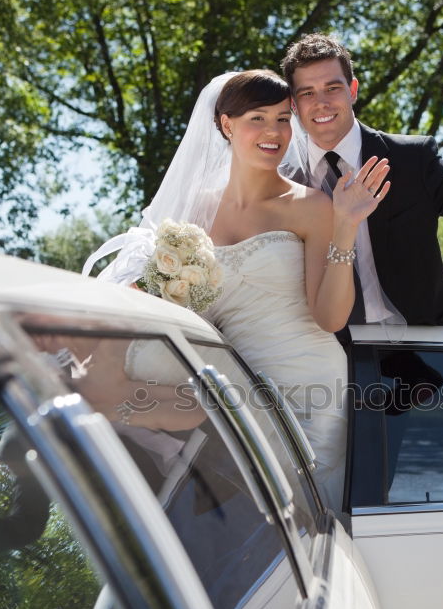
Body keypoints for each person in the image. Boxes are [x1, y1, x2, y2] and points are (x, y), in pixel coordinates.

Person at [83, 70, 390, 515]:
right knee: (262, 524)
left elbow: (330, 319)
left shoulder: (310, 206)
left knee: (314, 518)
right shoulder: (193, 215)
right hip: (239, 389)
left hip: (312, 380)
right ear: (226, 124)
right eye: (257, 118)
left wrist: (346, 227)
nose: (274, 132)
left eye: (284, 119)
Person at [280, 33, 443, 328]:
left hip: (424, 349)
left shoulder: (410, 159)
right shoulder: (287, 184)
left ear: (352, 90)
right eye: (307, 93)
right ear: (293, 104)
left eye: (332, 88)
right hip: (331, 352)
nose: (322, 103)